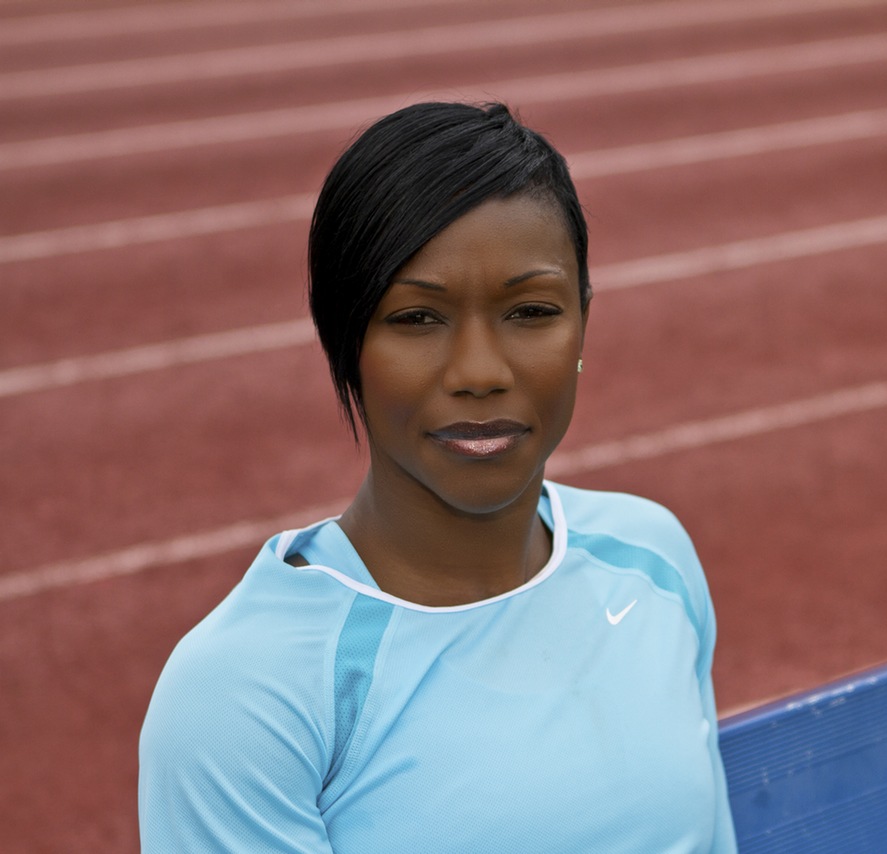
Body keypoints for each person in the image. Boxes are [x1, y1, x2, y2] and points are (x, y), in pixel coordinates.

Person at [138, 102, 737, 853]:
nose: (480, 373)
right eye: (417, 319)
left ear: (584, 323)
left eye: (531, 311)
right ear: (343, 340)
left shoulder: (652, 558)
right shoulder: (245, 696)